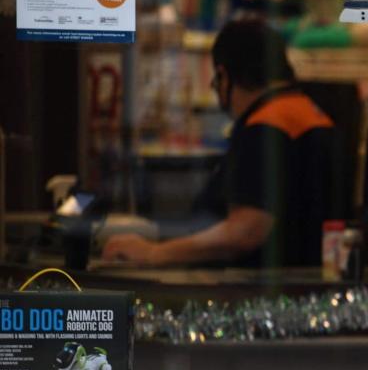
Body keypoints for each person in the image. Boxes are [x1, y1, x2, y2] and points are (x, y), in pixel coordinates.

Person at [103, 19, 344, 267]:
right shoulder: (314, 115)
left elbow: (245, 232)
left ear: (223, 76)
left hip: (262, 295)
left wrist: (154, 253)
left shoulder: (266, 127)